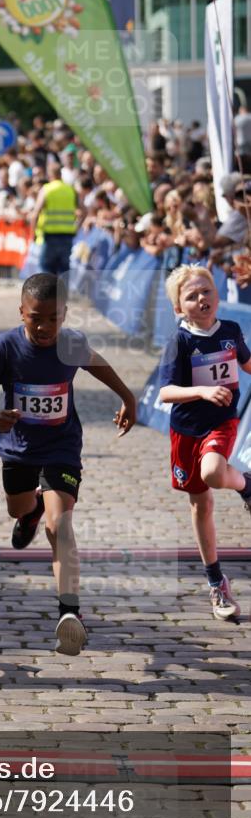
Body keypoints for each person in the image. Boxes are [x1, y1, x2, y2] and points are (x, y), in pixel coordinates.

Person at [0, 272, 136, 656]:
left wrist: (128, 396)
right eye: (35, 318)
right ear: (21, 313)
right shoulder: (6, 347)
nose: (44, 327)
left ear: (65, 315)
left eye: (53, 318)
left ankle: (68, 613)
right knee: (20, 506)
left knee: (60, 525)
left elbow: (97, 363)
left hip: (61, 447)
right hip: (19, 449)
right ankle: (28, 513)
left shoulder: (72, 343)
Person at [158, 265, 251, 622]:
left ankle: (246, 484)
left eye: (206, 292)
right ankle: (217, 581)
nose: (202, 299)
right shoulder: (179, 341)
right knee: (201, 506)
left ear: (217, 294)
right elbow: (166, 391)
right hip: (186, 430)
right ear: (179, 307)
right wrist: (200, 390)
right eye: (192, 296)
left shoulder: (230, 331)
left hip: (222, 423)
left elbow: (247, 362)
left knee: (213, 472)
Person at [29, 160, 78, 276]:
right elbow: (84, 211)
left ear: (50, 174)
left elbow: (35, 213)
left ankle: (48, 294)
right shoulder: (70, 189)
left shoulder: (47, 189)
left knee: (46, 269)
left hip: (50, 236)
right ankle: (63, 294)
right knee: (64, 270)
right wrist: (76, 227)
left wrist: (33, 233)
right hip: (67, 236)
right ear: (60, 174)